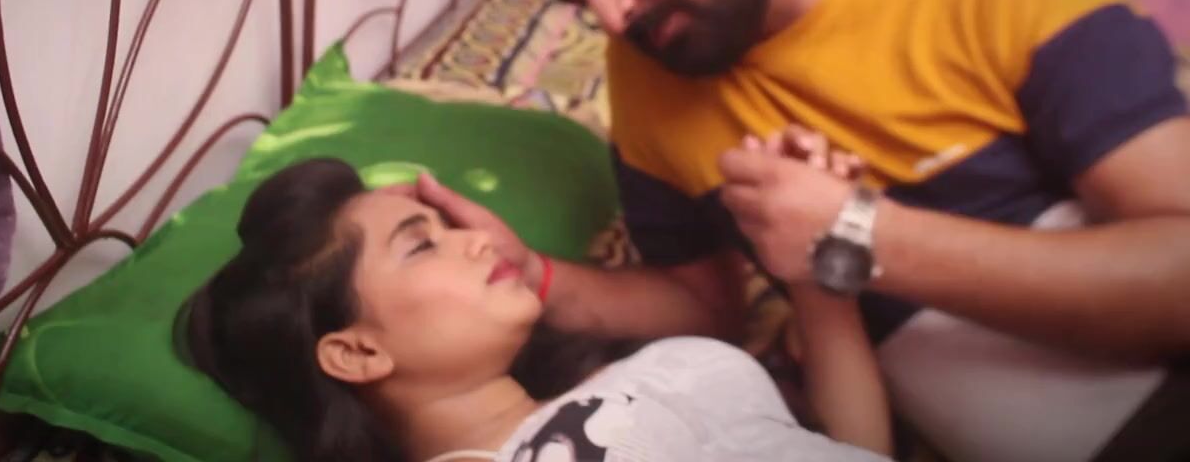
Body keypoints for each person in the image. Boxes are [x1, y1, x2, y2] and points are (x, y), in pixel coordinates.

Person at [471, 0, 1190, 462]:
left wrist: (857, 235)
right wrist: (534, 275)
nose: (609, 14)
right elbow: (703, 305)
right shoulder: (649, 74)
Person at [177, 158, 891, 462]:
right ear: (358, 350)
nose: (475, 239)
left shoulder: (621, 377)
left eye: (446, 225)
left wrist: (814, 282)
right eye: (421, 245)